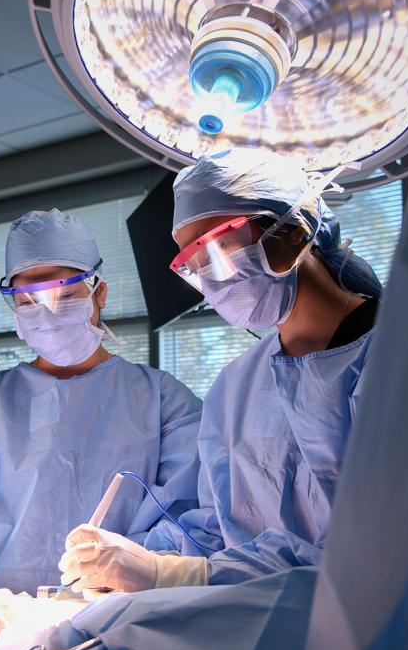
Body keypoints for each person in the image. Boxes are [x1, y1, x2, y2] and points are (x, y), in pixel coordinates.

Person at [59, 148, 384, 592]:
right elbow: (216, 530)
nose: (209, 279)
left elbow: (389, 550)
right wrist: (141, 560)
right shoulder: (236, 388)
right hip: (251, 632)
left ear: (292, 230)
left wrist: (175, 575)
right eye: (192, 266)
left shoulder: (400, 353)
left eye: (216, 249)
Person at [0, 208, 202, 594]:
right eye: (28, 300)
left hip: (117, 622)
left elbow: (192, 527)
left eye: (65, 294)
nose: (46, 313)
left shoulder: (164, 404)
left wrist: (131, 566)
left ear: (101, 292)